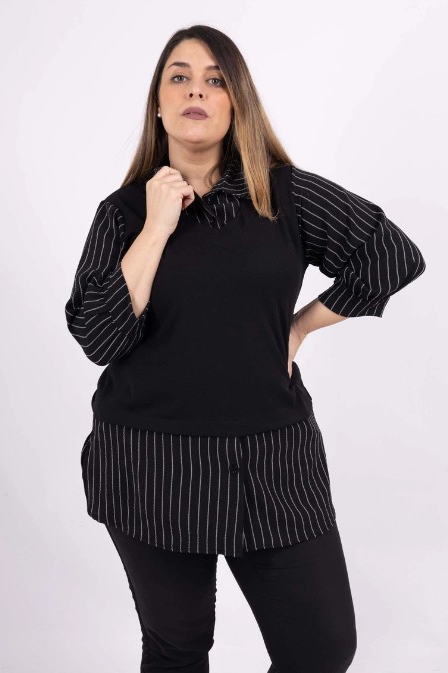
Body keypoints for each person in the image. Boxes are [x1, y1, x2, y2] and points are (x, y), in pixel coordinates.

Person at [64, 24, 426, 673]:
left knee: (321, 648)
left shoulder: (286, 196)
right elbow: (99, 337)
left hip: (273, 461)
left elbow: (392, 255)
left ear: (238, 102)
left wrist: (299, 326)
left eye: (215, 79)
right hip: (151, 465)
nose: (195, 90)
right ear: (157, 103)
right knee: (177, 647)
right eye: (179, 77)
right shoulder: (122, 214)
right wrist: (156, 227)